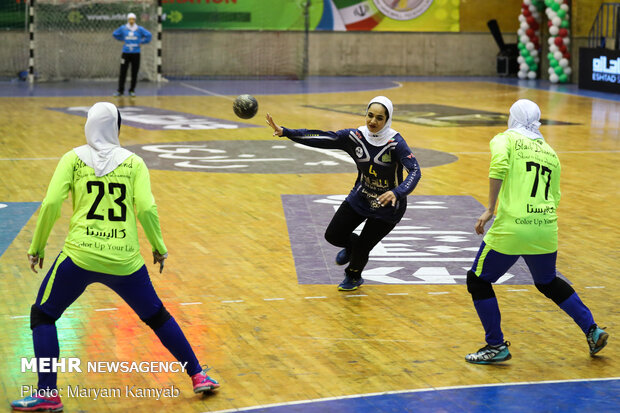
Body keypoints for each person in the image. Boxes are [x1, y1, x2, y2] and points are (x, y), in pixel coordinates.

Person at [11, 102, 219, 412]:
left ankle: (47, 394)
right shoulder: (134, 163)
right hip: (125, 261)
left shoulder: (72, 159)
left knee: (43, 315)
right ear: (117, 128)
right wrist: (159, 247)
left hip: (79, 257)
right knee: (157, 316)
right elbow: (147, 209)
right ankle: (198, 374)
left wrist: (37, 247)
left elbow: (52, 203)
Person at [465, 99, 609, 364]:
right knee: (547, 282)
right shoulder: (550, 152)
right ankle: (592, 329)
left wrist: (489, 209)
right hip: (545, 227)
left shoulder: (504, 139)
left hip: (512, 228)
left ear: (513, 118)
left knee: (478, 281)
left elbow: (498, 167)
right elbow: (555, 195)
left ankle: (495, 345)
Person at [266, 96, 421, 291]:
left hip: (388, 207)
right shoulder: (355, 136)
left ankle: (353, 276)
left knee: (364, 246)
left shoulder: (395, 143)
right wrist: (287, 132)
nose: (373, 121)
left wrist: (397, 192)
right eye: (370, 115)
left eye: (379, 118)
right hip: (361, 196)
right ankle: (353, 247)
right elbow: (323, 138)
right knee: (333, 235)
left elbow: (415, 171)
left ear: (387, 120)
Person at [113, 13, 151, 97]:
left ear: (135, 20)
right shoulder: (123, 28)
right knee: (123, 72)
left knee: (134, 72)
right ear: (127, 19)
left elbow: (149, 35)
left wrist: (142, 42)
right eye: (130, 19)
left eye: (133, 19)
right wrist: (122, 39)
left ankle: (132, 90)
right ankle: (120, 90)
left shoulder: (139, 29)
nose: (131, 21)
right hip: (126, 53)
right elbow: (115, 34)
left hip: (136, 53)